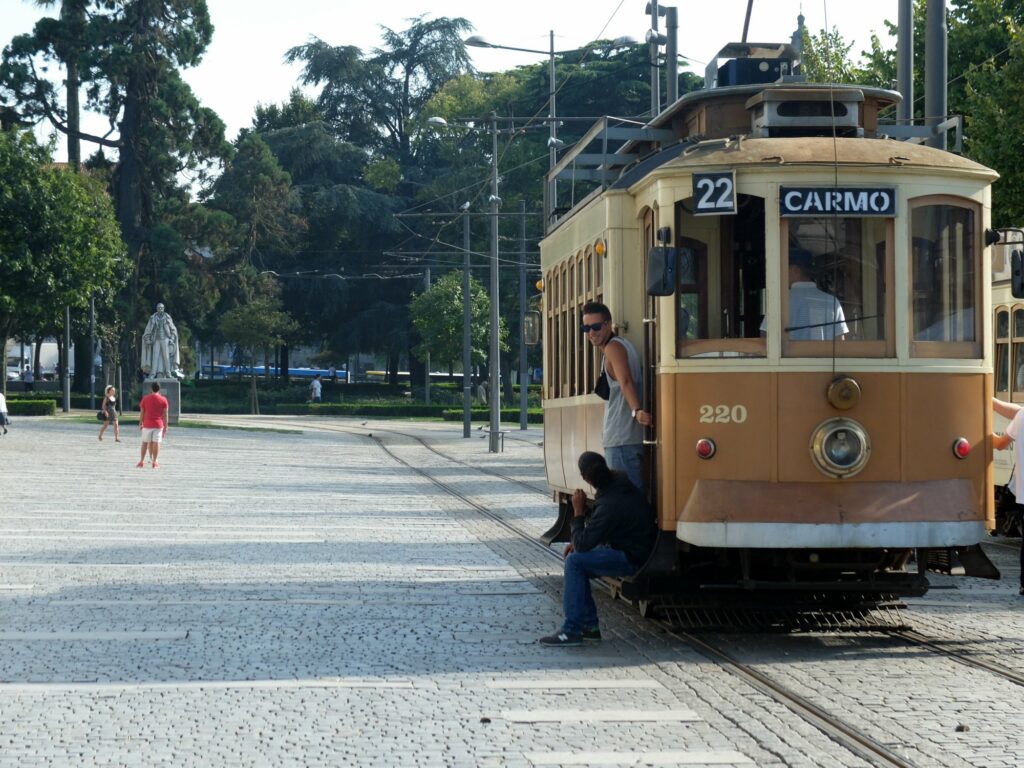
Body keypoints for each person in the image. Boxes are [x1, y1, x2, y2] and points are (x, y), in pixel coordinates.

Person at [539, 451, 658, 646]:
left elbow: (584, 543)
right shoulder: (617, 486)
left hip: (631, 557)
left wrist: (577, 514)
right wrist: (579, 542)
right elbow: (592, 536)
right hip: (636, 549)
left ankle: (572, 630)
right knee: (577, 560)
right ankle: (590, 628)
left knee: (575, 563)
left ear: (586, 477)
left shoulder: (611, 502)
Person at [580, 301, 651, 489]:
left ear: (608, 324)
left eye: (595, 327)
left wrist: (636, 411)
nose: (591, 332)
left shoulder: (613, 348)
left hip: (621, 438)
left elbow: (625, 381)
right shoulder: (623, 345)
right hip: (626, 438)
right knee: (630, 495)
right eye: (586, 328)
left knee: (623, 496)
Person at [762, 248, 849, 341]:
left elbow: (766, 336)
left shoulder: (780, 301)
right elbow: (840, 342)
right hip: (823, 355)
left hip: (789, 355)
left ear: (795, 270)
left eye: (784, 268)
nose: (781, 273)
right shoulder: (832, 302)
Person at [992, 397, 1024, 596]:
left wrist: (983, 430)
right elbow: (1017, 411)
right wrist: (990, 400)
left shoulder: (1022, 416)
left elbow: (1000, 444)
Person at [141, 302, 181, 378]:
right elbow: (148, 330)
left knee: (166, 357)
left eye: (161, 308)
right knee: (155, 357)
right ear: (157, 309)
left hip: (165, 339)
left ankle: (168, 373)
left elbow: (173, 329)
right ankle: (152, 374)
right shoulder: (153, 318)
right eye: (159, 308)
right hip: (156, 340)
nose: (160, 309)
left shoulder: (167, 317)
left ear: (163, 308)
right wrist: (147, 339)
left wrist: (172, 339)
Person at [137, 381, 169, 469]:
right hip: (158, 424)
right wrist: (166, 426)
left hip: (147, 424)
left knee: (144, 442)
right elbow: (165, 414)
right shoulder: (163, 400)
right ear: (159, 389)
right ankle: (155, 462)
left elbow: (142, 412)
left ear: (151, 389)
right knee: (157, 443)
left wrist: (140, 422)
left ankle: (141, 461)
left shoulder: (145, 398)